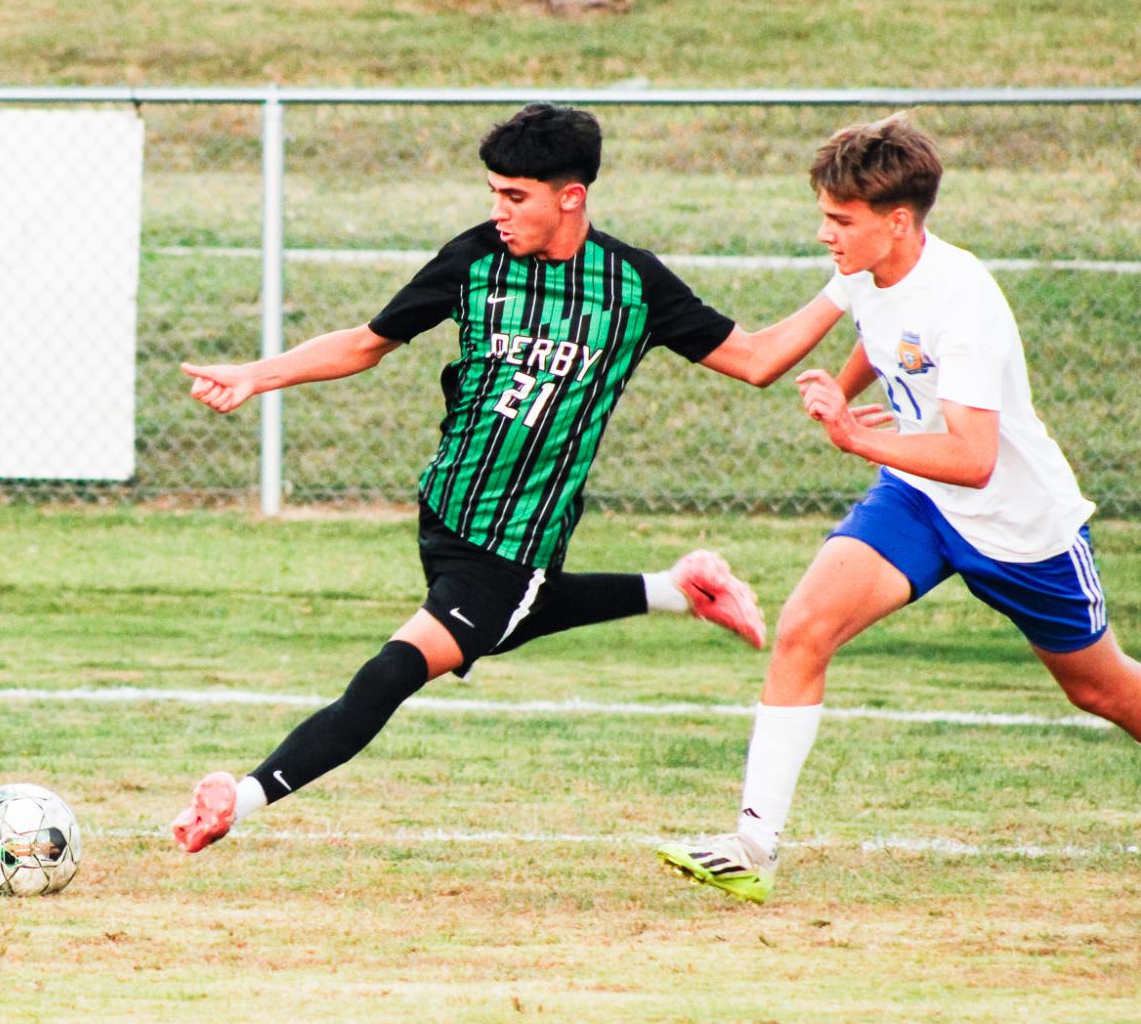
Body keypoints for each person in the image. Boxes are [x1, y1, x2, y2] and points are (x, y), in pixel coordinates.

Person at [169, 102, 855, 855]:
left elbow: (754, 360)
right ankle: (675, 588)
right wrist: (254, 375)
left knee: (396, 668)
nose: (497, 211)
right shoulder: (473, 259)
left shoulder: (631, 286)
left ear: (571, 196)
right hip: (444, 510)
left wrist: (842, 290)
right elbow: (366, 343)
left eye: (514, 196)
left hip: (513, 537)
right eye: (492, 192)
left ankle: (244, 796)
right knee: (498, 622)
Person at [658, 114, 1141, 904]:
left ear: (898, 221)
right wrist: (840, 388)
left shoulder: (964, 304)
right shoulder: (862, 269)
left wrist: (854, 438)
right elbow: (776, 356)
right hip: (919, 499)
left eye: (838, 220)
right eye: (823, 214)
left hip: (1017, 527)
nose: (824, 234)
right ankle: (752, 845)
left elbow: (975, 459)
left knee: (1101, 691)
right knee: (804, 627)